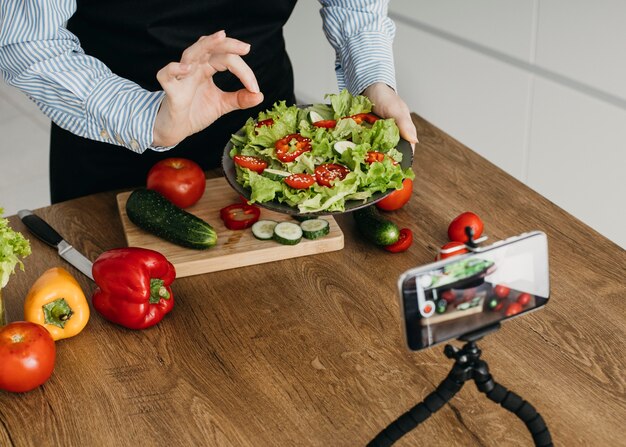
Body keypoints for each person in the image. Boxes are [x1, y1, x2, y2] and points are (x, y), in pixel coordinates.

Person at [0, 0, 418, 203]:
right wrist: (148, 117)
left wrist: (373, 81)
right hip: (109, 136)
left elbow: (355, 5)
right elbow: (27, 39)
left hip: (274, 142)